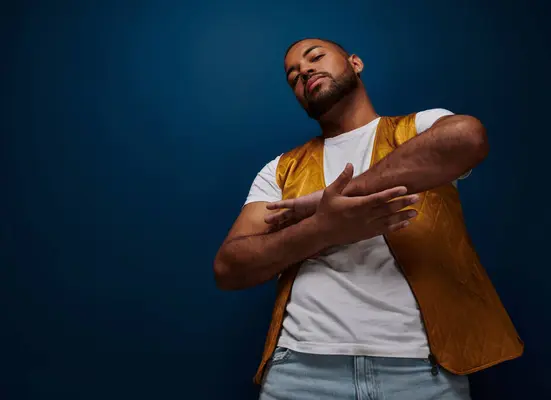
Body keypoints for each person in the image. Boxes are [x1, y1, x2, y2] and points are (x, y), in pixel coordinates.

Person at [213, 38, 523, 400]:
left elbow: (468, 137)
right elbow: (229, 267)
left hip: (422, 371)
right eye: (293, 77)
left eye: (315, 57)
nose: (304, 72)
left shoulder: (418, 128)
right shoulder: (280, 170)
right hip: (301, 371)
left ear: (355, 63)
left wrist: (326, 203)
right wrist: (323, 228)